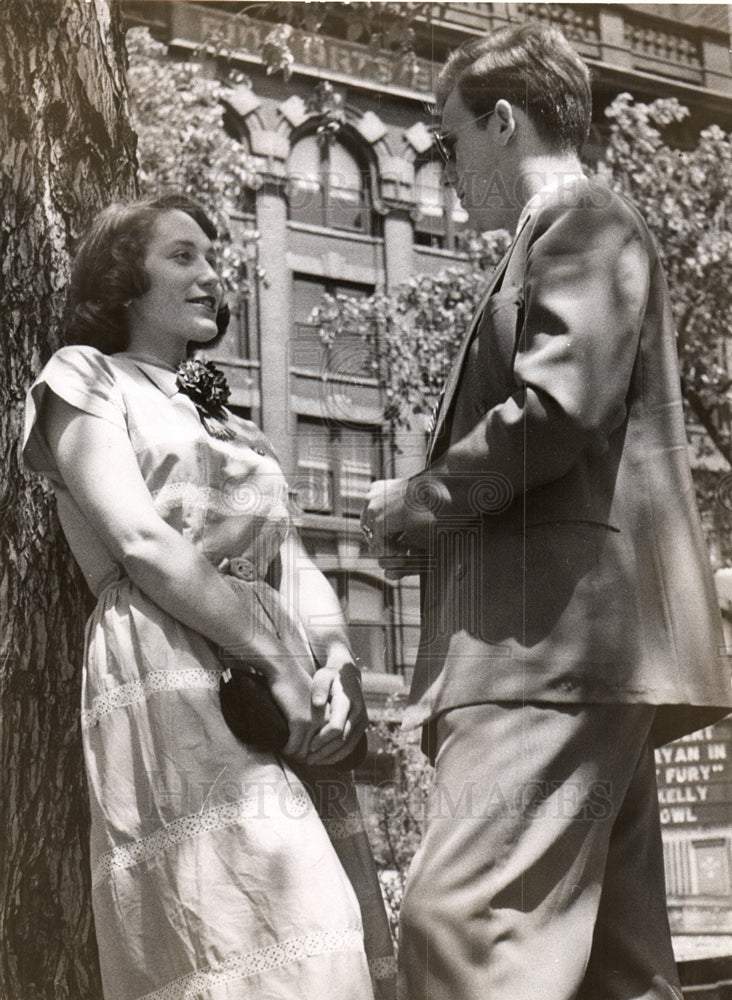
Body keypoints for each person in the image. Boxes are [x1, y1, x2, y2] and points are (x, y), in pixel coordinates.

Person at [361, 22, 732, 1000]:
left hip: (547, 654)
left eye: (448, 143)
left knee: (459, 927)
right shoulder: (564, 234)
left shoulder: (581, 223)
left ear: (504, 122)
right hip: (578, 660)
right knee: (618, 971)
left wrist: (420, 502)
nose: (446, 172)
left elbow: (558, 409)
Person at [23, 193, 395, 1000]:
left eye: (210, 258)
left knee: (327, 930)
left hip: (278, 684)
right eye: (181, 257)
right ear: (124, 281)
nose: (210, 275)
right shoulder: (83, 378)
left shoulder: (233, 425)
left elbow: (291, 559)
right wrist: (274, 659)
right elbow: (139, 540)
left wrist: (338, 667)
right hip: (171, 662)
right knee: (244, 927)